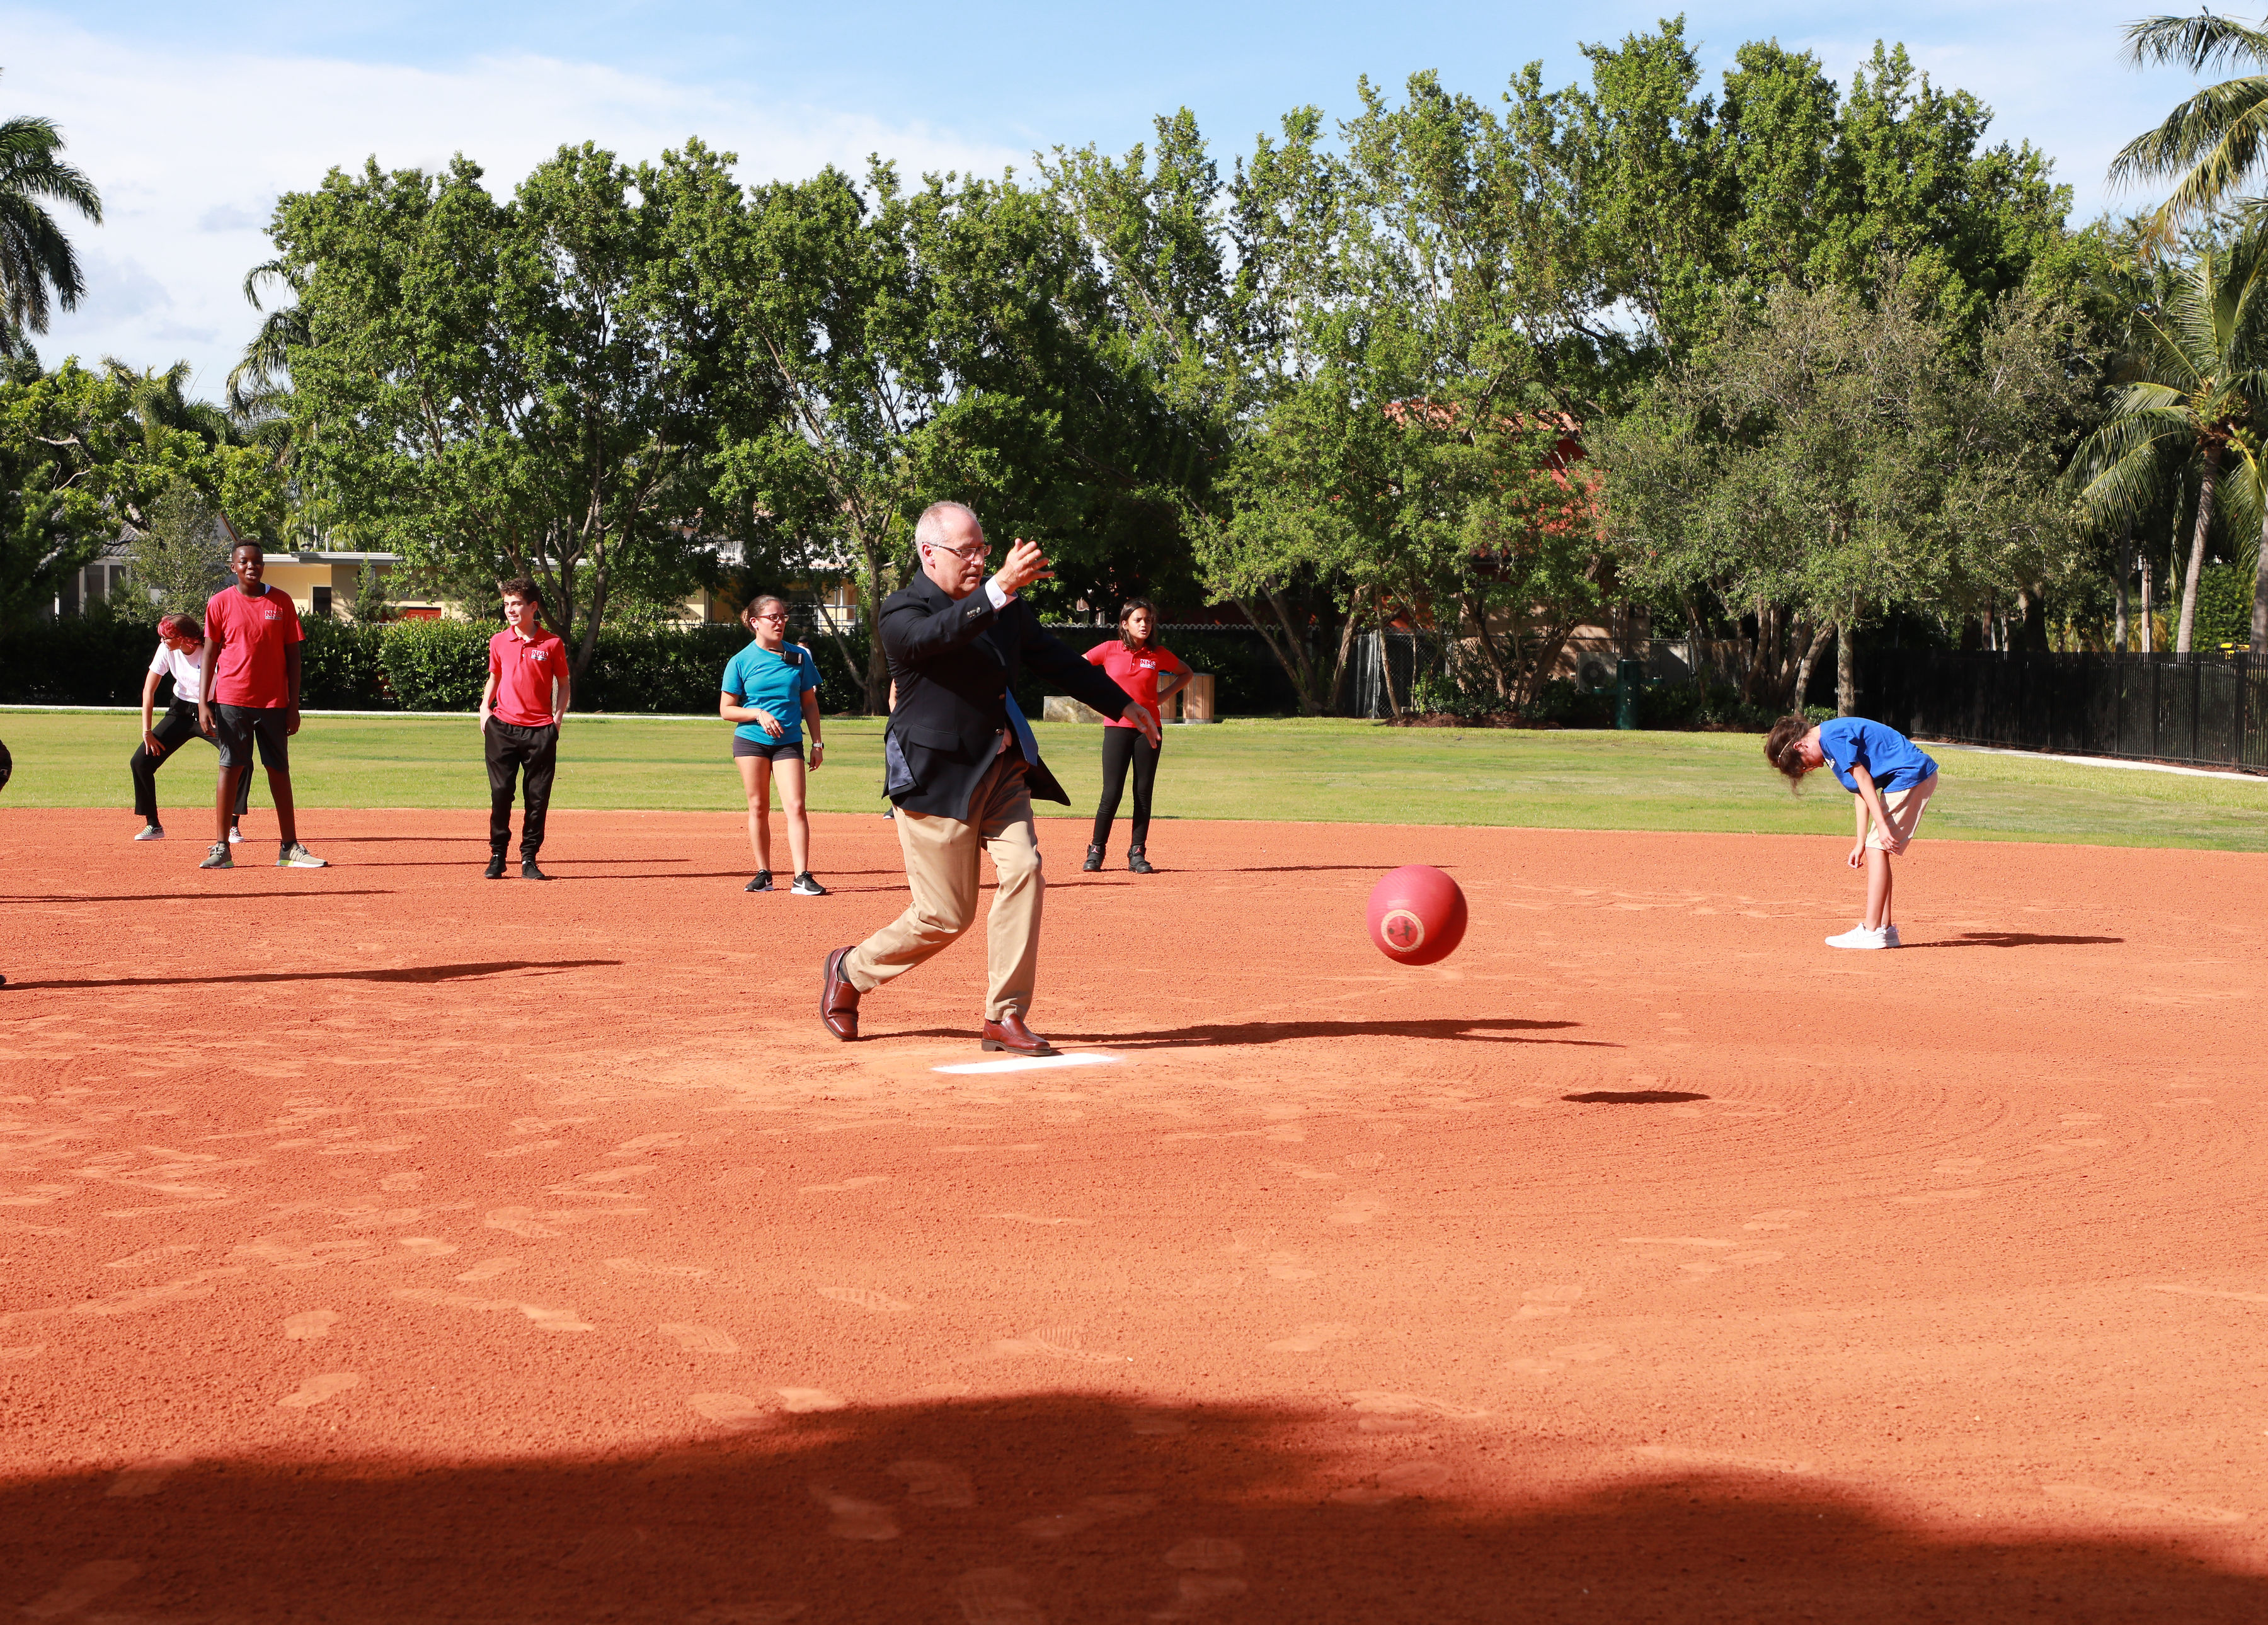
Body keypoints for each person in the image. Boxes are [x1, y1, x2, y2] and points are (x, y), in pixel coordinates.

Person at [819, 502, 1159, 1056]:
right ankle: (851, 969)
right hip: (935, 778)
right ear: (929, 554)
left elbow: (1059, 661)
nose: (980, 559)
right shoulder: (901, 612)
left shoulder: (1006, 610)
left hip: (1000, 767)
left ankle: (1004, 1016)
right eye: (967, 551)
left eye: (984, 549)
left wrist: (1122, 703)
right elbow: (939, 636)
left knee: (1026, 868)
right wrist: (997, 589)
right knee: (945, 916)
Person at [196, 539, 324, 870]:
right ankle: (222, 847)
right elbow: (209, 654)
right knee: (230, 767)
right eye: (245, 562)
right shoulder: (220, 603)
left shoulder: (281, 601)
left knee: (278, 770)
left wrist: (293, 705)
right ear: (233, 567)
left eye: (257, 561)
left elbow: (293, 657)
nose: (252, 566)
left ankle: (290, 847)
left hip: (273, 703)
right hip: (231, 700)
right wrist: (204, 701)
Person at [1764, 714, 1939, 949]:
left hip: (1911, 775)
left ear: (1800, 745)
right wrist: (1860, 842)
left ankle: (1872, 929)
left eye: (1805, 763)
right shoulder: (1828, 741)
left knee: (1877, 848)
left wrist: (1881, 830)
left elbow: (1865, 781)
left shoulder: (1831, 738)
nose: (1812, 767)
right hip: (1910, 776)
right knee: (1874, 847)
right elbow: (1860, 791)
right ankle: (1884, 931)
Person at [721, 595, 827, 896]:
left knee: (795, 806)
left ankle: (801, 876)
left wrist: (817, 743)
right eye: (773, 617)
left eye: (783, 616)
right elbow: (727, 710)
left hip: (789, 741)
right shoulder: (740, 661)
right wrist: (758, 713)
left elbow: (809, 702)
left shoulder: (799, 656)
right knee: (758, 807)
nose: (780, 622)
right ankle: (764, 873)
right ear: (755, 622)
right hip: (751, 742)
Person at [1082, 598, 1191, 874]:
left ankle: (1137, 852)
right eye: (1138, 620)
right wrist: (1101, 699)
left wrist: (1158, 699)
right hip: (1116, 727)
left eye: (1148, 620)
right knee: (1111, 792)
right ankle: (1096, 850)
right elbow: (1078, 669)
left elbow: (1185, 673)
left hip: (1149, 729)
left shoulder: (1157, 654)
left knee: (1143, 793)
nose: (1144, 624)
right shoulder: (1109, 650)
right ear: (1124, 624)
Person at [478, 578, 571, 881]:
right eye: (506, 604)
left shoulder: (552, 643)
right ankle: (497, 855)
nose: (510, 609)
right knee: (501, 792)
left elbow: (564, 684)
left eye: (516, 603)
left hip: (540, 732)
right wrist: (484, 709)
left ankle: (529, 858)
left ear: (533, 607)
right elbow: (494, 677)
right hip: (502, 727)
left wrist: (557, 719)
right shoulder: (498, 641)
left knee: (537, 797)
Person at [129, 613, 248, 843]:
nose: (163, 641)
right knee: (140, 762)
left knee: (242, 760)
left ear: (184, 638)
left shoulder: (211, 650)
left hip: (213, 711)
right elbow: (148, 691)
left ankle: (232, 826)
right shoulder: (166, 650)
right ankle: (153, 825)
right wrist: (147, 732)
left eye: (167, 637)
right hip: (181, 711)